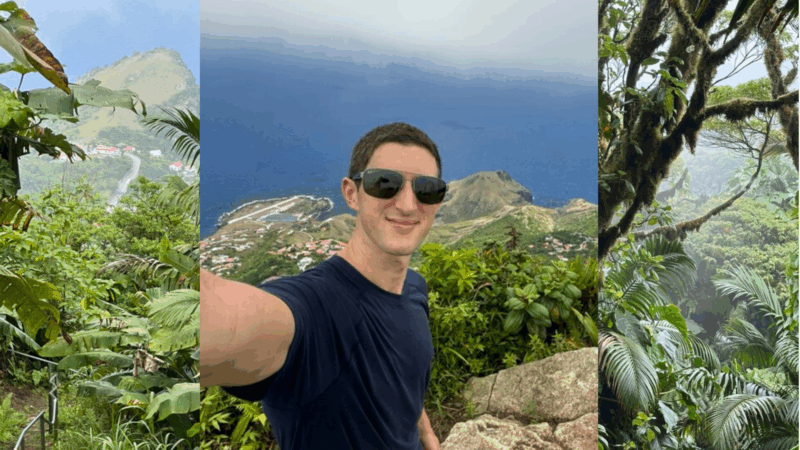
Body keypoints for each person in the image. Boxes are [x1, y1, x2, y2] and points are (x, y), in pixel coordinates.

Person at [200, 122, 449, 450]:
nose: (407, 204)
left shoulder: (415, 289)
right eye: (384, 183)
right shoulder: (316, 307)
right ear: (351, 193)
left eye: (426, 189)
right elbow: (230, 323)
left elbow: (404, 383)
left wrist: (428, 437)